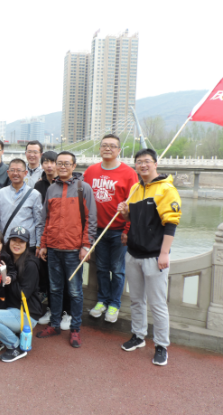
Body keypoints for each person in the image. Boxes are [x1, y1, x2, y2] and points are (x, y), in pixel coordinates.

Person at [118, 148, 182, 367]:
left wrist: (164, 253)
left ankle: (161, 345)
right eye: (139, 162)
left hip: (154, 256)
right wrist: (125, 213)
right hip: (133, 253)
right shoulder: (135, 188)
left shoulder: (166, 189)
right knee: (136, 299)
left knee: (157, 303)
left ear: (155, 164)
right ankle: (138, 335)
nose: (143, 165)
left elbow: (171, 223)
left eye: (147, 161)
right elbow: (131, 219)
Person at [36, 151, 97, 348]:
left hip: (73, 249)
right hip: (53, 248)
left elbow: (91, 219)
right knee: (54, 289)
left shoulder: (83, 188)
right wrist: (43, 244)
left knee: (75, 291)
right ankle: (54, 324)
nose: (62, 166)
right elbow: (45, 219)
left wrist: (86, 245)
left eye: (66, 163)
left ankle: (75, 328)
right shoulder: (51, 189)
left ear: (73, 166)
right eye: (59, 163)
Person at [84, 134, 138, 323]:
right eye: (104, 145)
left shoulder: (129, 173)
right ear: (100, 148)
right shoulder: (90, 171)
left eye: (112, 146)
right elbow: (84, 200)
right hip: (97, 230)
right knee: (100, 268)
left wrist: (127, 229)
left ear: (119, 150)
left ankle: (114, 304)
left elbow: (133, 204)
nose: (108, 148)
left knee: (117, 269)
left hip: (118, 230)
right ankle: (102, 301)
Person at [0, 227, 42, 363]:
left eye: (21, 241)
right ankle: (4, 337)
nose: (17, 244)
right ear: (8, 242)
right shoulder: (5, 258)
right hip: (9, 308)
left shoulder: (30, 264)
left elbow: (22, 295)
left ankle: (15, 346)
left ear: (27, 244)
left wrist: (7, 275)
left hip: (26, 314)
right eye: (14, 240)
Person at [33, 151, 71, 330]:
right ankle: (52, 309)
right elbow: (40, 216)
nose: (49, 165)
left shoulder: (68, 184)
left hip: (65, 238)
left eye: (52, 162)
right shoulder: (39, 185)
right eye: (45, 162)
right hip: (47, 237)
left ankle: (67, 312)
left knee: (67, 279)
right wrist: (41, 242)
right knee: (50, 279)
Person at [0, 159, 43, 248]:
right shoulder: (1, 193)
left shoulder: (34, 194)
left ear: (25, 173)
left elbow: (39, 222)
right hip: (6, 241)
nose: (15, 173)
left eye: (19, 170)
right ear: (8, 172)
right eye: (12, 170)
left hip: (27, 243)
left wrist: (38, 244)